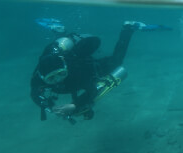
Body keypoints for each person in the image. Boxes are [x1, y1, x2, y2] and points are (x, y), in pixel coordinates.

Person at [30, 20, 168, 123]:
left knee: (116, 61)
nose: (59, 80)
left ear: (65, 68)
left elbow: (92, 90)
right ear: (42, 77)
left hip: (86, 66)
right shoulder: (38, 77)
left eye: (61, 74)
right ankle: (60, 33)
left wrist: (74, 105)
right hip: (65, 60)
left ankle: (128, 29)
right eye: (52, 78)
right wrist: (49, 107)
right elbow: (35, 93)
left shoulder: (77, 73)